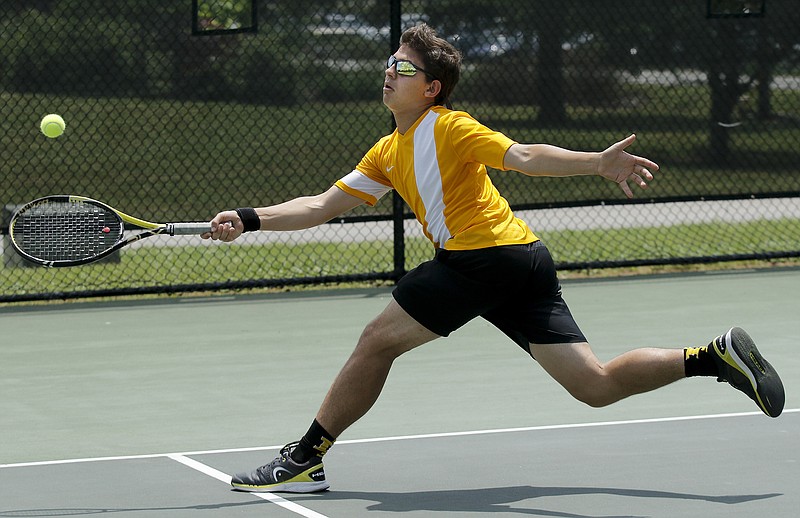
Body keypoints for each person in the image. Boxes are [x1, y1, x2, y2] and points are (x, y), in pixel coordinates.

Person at [203, 24, 785, 493]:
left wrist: (596, 163)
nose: (389, 73)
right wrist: (249, 217)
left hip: (481, 260)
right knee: (595, 385)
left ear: (431, 88)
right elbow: (323, 205)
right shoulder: (388, 150)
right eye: (389, 63)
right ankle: (714, 358)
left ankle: (306, 457)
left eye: (402, 68)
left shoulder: (450, 129)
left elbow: (525, 155)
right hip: (522, 260)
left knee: (375, 340)